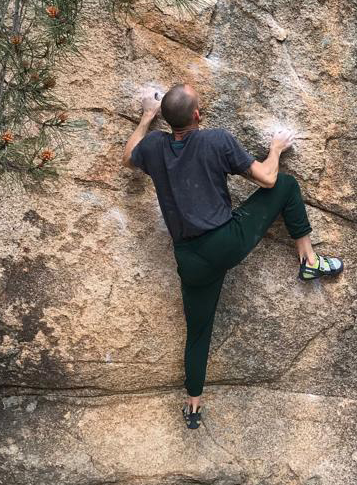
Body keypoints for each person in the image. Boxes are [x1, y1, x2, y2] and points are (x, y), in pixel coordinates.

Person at [122, 82, 343, 429]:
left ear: (166, 118)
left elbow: (127, 155)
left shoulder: (152, 147)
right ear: (198, 115)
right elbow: (268, 180)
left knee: (198, 332)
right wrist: (275, 148)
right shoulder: (216, 140)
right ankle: (310, 262)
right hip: (226, 241)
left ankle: (193, 407)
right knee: (286, 186)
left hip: (189, 260)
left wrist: (147, 117)